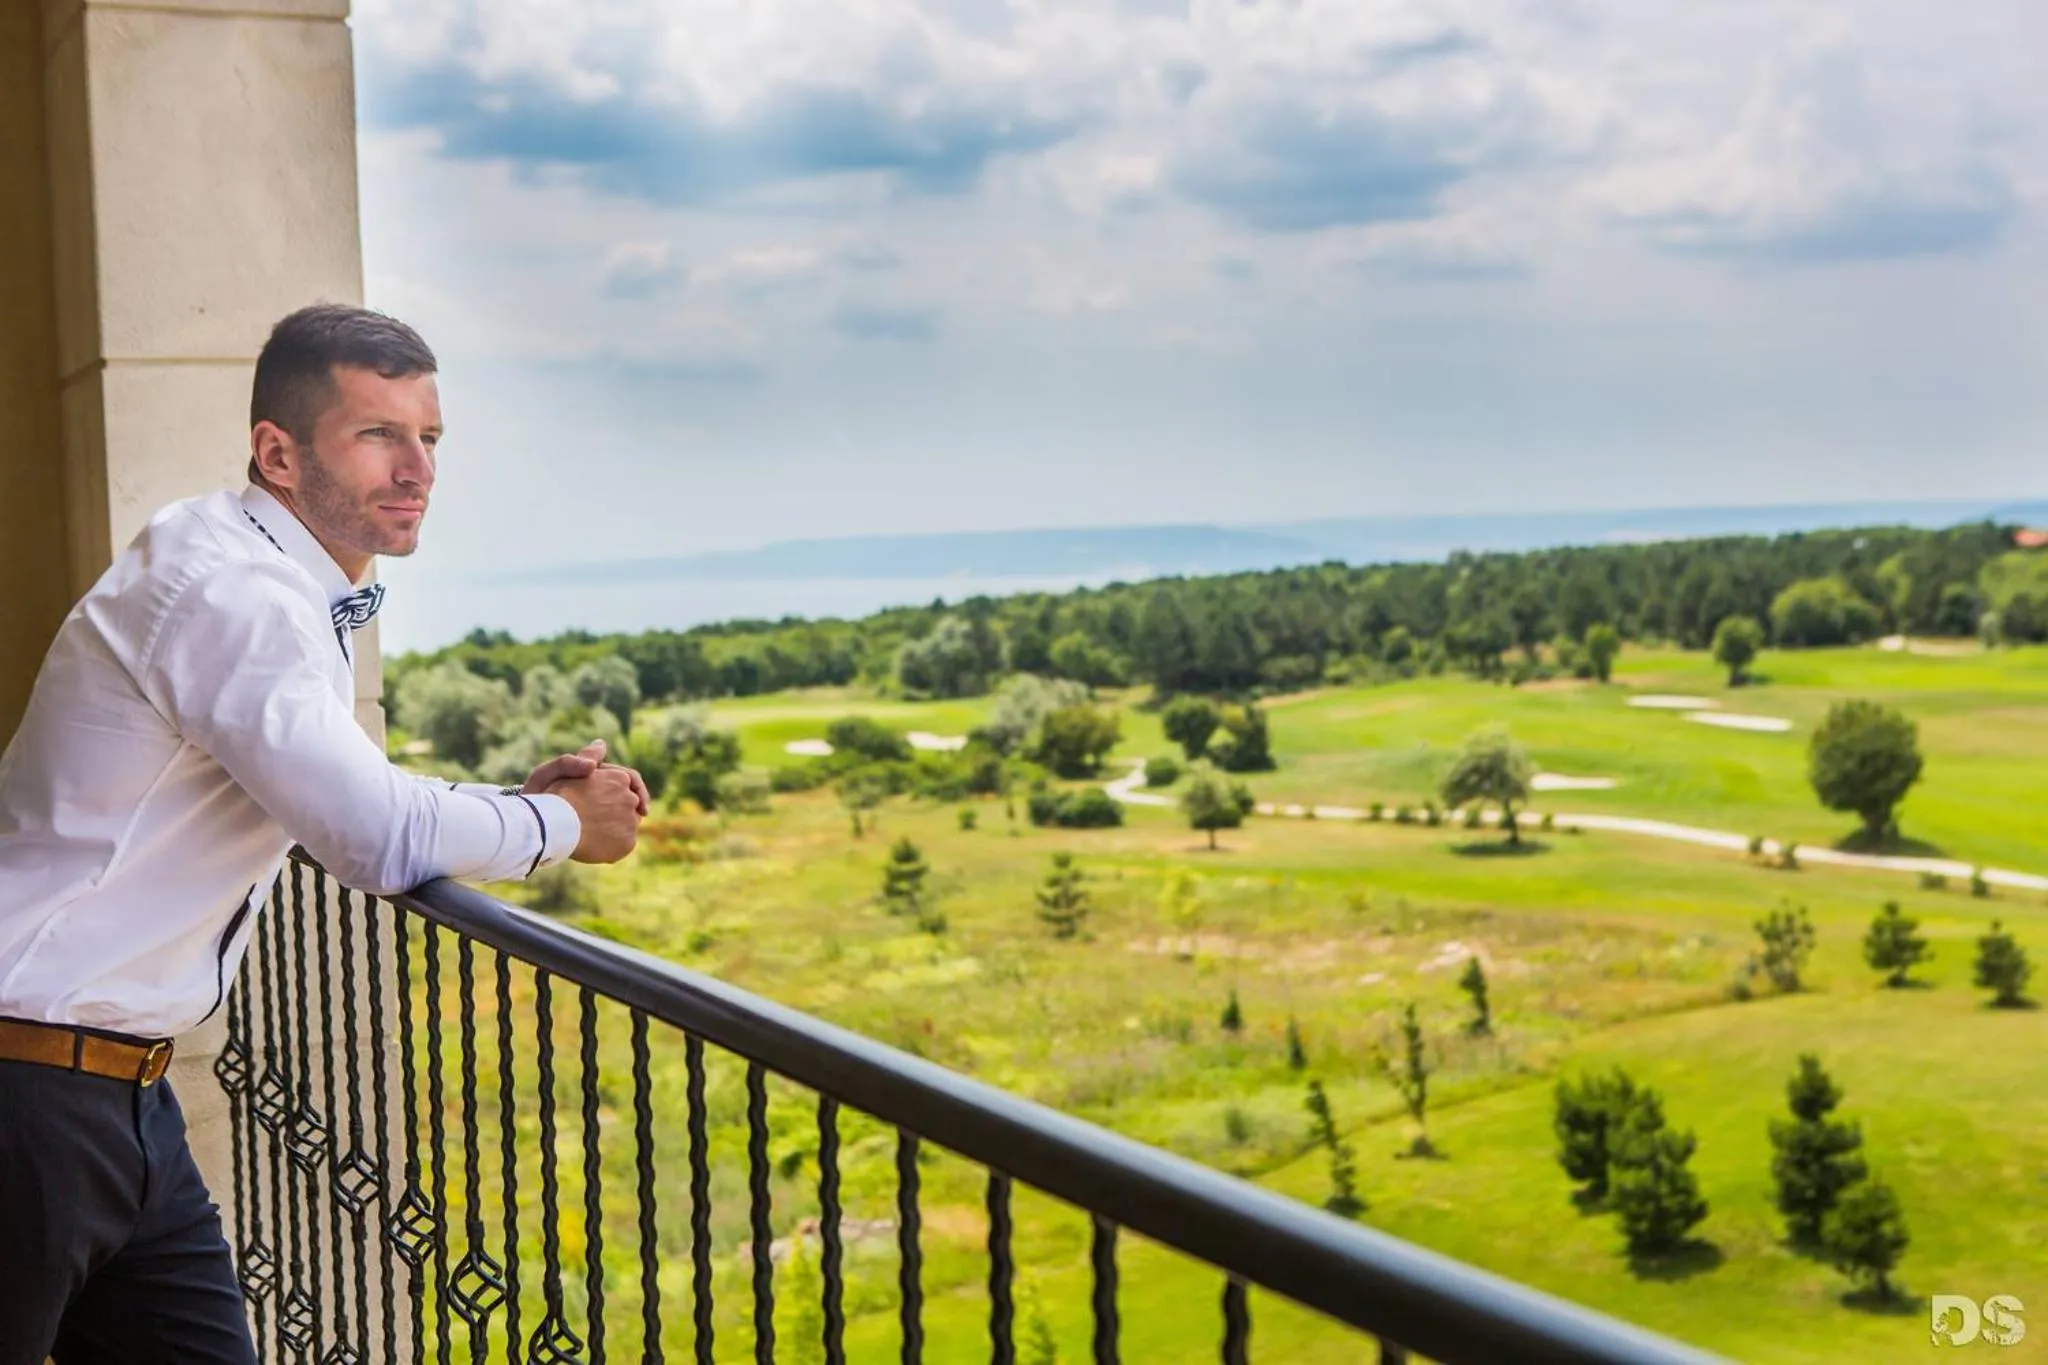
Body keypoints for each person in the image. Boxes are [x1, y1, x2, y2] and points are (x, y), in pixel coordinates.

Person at [0, 303, 647, 1363]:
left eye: (428, 438)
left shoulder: (250, 567)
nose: (417, 469)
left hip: (124, 1094)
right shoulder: (234, 592)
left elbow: (334, 789)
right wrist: (562, 825)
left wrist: (503, 800)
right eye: (377, 435)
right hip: (28, 1093)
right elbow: (370, 833)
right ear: (279, 453)